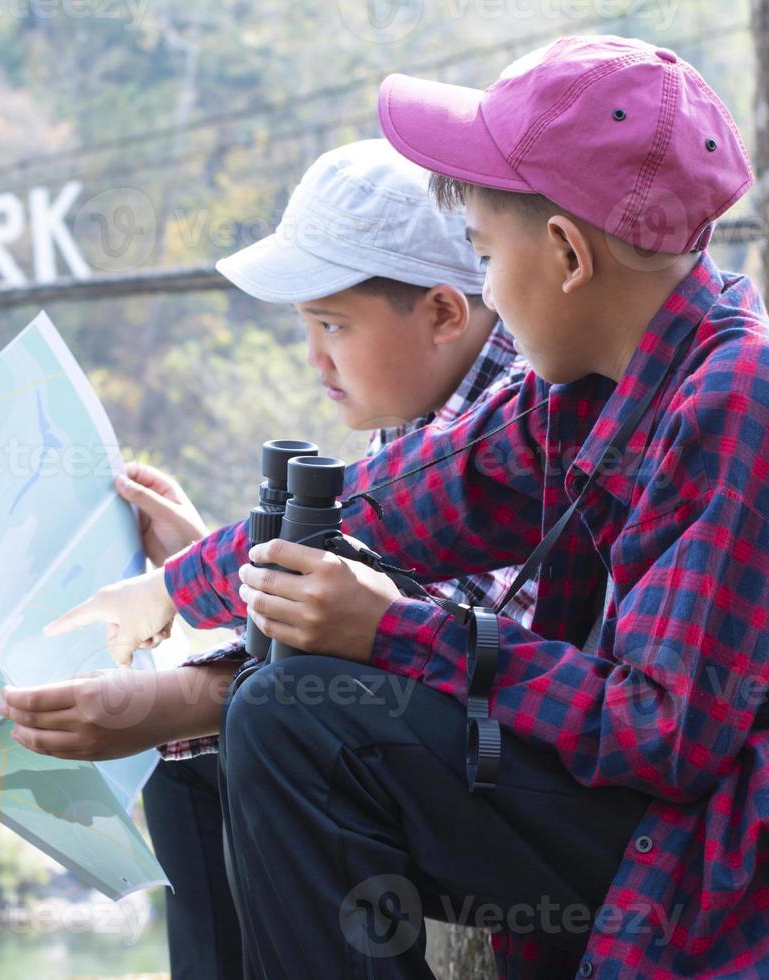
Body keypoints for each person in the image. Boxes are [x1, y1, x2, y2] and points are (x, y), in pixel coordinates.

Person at [21, 35, 769, 978]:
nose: (486, 288)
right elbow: (393, 501)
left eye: (486, 255)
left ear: (568, 254)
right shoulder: (588, 389)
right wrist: (172, 588)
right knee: (244, 737)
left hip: (757, 866)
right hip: (680, 819)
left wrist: (395, 631)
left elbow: (662, 736)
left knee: (296, 721)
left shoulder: (744, 400)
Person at [117, 138, 534, 979]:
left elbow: (449, 644)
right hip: (460, 765)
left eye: (333, 326)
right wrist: (213, 574)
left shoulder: (509, 414)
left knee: (274, 726)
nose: (316, 360)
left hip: (535, 782)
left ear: (447, 313)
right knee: (189, 764)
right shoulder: (418, 405)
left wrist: (187, 673)